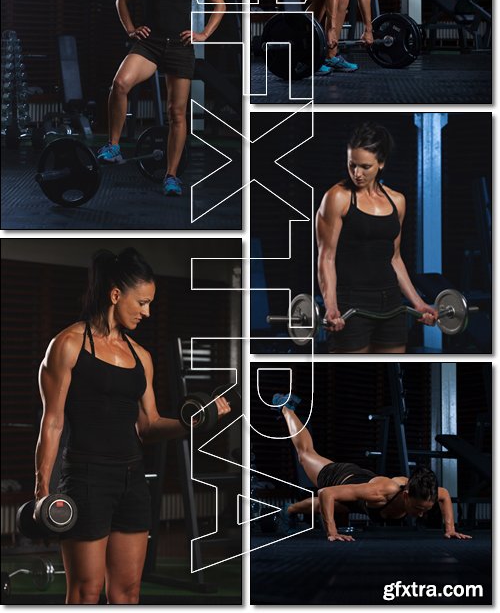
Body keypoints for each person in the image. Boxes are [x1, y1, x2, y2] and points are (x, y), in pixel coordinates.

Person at [34, 248, 231, 604]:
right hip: (85, 478)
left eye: (150, 304)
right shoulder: (67, 345)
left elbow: (150, 425)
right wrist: (41, 488)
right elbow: (53, 421)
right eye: (142, 302)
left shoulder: (142, 357)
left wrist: (195, 421)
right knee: (85, 592)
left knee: (127, 593)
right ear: (115, 295)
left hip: (132, 480)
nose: (147, 312)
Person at [98, 0, 226, 196]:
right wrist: (131, 29)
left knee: (177, 114)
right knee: (120, 85)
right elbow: (121, 0)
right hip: (150, 45)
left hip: (180, 48)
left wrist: (203, 34)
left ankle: (171, 176)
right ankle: (113, 145)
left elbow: (220, 4)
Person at [272, 394, 472, 542]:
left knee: (336, 505)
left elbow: (444, 495)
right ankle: (285, 408)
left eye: (424, 510)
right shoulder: (381, 493)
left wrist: (450, 529)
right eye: (418, 509)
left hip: (361, 487)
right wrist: (332, 532)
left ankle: (288, 510)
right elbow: (325, 493)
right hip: (340, 476)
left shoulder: (426, 492)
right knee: (306, 454)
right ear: (406, 495)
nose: (420, 515)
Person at [316, 122, 438, 353]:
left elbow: (395, 259)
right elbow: (326, 258)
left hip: (392, 304)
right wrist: (331, 307)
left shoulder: (397, 201)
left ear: (381, 164)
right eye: (352, 165)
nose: (357, 174)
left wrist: (418, 303)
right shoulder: (337, 198)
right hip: (351, 304)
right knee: (354, 378)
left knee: (391, 377)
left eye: (365, 166)